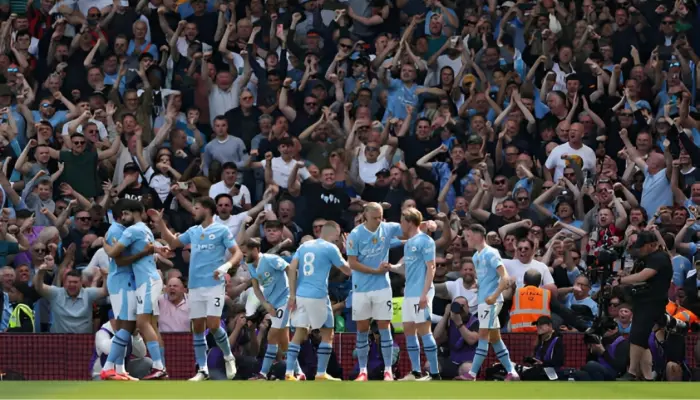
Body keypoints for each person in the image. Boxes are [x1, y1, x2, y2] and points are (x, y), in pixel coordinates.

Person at [151, 197, 242, 381]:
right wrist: (160, 224)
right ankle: (202, 369)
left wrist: (226, 267)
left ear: (207, 210)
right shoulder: (193, 231)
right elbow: (174, 242)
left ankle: (228, 356)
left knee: (214, 325)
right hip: (194, 286)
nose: (194, 211)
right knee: (198, 328)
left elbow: (238, 253)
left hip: (214, 285)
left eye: (197, 208)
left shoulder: (221, 230)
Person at [102, 200, 167, 379]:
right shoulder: (134, 229)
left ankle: (155, 367)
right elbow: (118, 258)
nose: (124, 217)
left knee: (137, 324)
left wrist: (106, 246)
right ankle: (115, 369)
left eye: (126, 214)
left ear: (134, 212)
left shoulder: (131, 230)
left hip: (142, 281)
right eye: (122, 214)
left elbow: (114, 253)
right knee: (133, 325)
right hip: (129, 283)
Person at [285, 221, 351, 381]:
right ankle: (321, 373)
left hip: (300, 295)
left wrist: (292, 294)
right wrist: (348, 249)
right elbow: (348, 270)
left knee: (299, 332)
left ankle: (288, 372)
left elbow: (292, 268)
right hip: (318, 296)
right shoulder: (331, 248)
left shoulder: (304, 246)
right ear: (335, 234)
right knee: (328, 333)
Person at [345, 202, 403, 381]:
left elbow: (410, 228)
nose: (379, 220)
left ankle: (388, 370)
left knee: (384, 327)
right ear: (365, 215)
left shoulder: (387, 228)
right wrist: (375, 271)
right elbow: (352, 263)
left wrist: (428, 225)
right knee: (362, 329)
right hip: (361, 288)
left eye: (381, 216)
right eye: (375, 217)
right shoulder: (355, 234)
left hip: (382, 288)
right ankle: (363, 370)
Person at [384, 207, 440, 380]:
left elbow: (431, 267)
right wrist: (391, 267)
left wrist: (424, 294)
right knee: (409, 330)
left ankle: (435, 373)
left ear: (408, 222)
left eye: (402, 221)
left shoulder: (426, 241)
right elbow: (405, 268)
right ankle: (416, 371)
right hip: (409, 292)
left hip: (421, 292)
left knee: (424, 330)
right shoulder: (408, 243)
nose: (400, 224)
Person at [462, 224, 518, 381]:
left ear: (477, 235)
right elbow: (487, 278)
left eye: (468, 236)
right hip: (483, 301)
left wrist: (494, 296)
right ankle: (512, 372)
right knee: (495, 338)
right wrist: (479, 285)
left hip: (491, 302)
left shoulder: (491, 253)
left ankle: (472, 374)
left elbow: (505, 278)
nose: (466, 240)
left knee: (483, 335)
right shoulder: (475, 257)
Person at [616, 230, 673, 381]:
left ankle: (632, 372)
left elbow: (644, 276)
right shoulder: (647, 258)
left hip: (652, 302)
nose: (639, 249)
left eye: (642, 246)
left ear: (652, 245)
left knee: (637, 336)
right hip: (644, 301)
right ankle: (647, 376)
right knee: (642, 340)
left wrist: (622, 280)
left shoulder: (659, 257)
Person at [243, 238, 300, 381]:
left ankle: (263, 374)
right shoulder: (250, 265)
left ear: (255, 250)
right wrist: (266, 304)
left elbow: (291, 269)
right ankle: (299, 373)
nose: (244, 256)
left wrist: (293, 294)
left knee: (272, 336)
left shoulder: (270, 259)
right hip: (273, 304)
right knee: (284, 341)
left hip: (285, 300)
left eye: (246, 252)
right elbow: (256, 288)